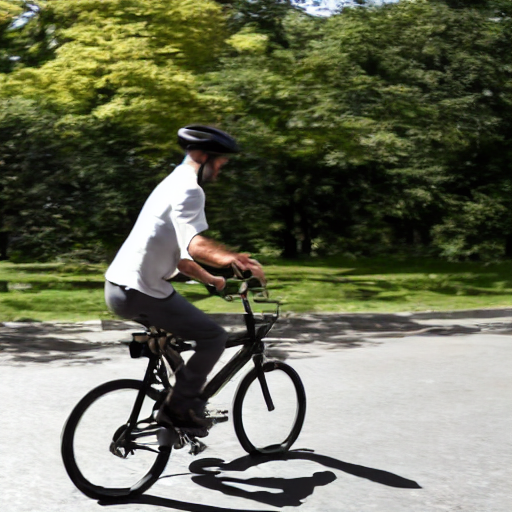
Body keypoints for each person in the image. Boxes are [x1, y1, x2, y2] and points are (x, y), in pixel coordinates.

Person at [104, 125, 265, 434]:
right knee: (213, 337)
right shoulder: (190, 189)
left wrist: (212, 279)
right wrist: (236, 262)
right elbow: (196, 245)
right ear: (204, 156)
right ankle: (178, 410)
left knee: (179, 336)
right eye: (221, 162)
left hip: (118, 288)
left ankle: (175, 396)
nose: (221, 169)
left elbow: (179, 256)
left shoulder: (170, 183)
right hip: (142, 291)